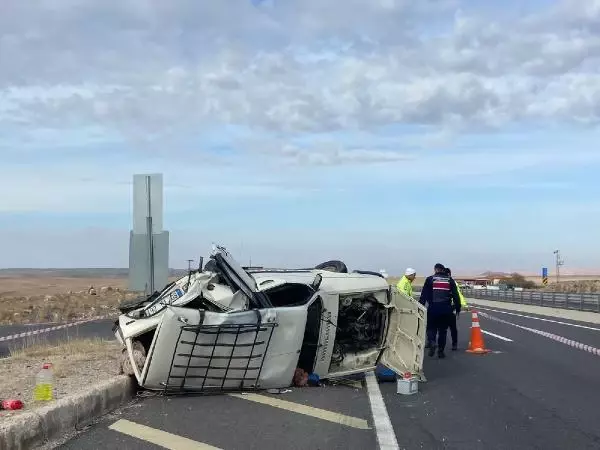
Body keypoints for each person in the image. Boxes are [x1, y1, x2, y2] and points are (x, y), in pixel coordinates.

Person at [419, 263, 462, 358]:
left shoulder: (430, 279)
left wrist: (420, 307)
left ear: (435, 270)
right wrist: (457, 308)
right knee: (443, 331)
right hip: (446, 309)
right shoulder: (450, 280)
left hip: (433, 309)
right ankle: (441, 352)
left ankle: (432, 342)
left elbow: (423, 296)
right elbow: (456, 296)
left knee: (431, 328)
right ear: (443, 270)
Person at [444, 267, 468, 351]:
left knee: (441, 328)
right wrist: (459, 307)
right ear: (450, 274)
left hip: (440, 308)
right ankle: (454, 344)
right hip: (451, 308)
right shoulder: (452, 282)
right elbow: (457, 296)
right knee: (452, 327)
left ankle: (438, 346)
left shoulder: (437, 281)